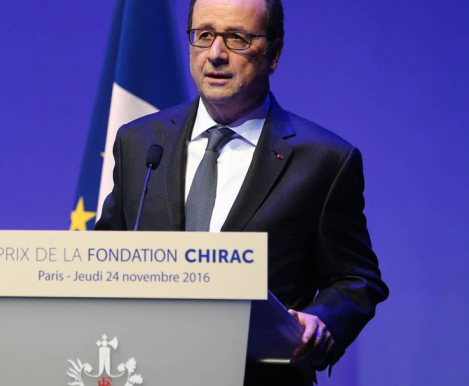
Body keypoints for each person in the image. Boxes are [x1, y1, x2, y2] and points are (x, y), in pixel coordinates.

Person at [95, 0, 389, 384]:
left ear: (274, 53)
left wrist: (322, 321)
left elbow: (357, 280)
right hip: (146, 371)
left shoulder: (324, 160)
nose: (215, 54)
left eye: (236, 39)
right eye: (204, 36)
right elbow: (104, 257)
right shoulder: (140, 143)